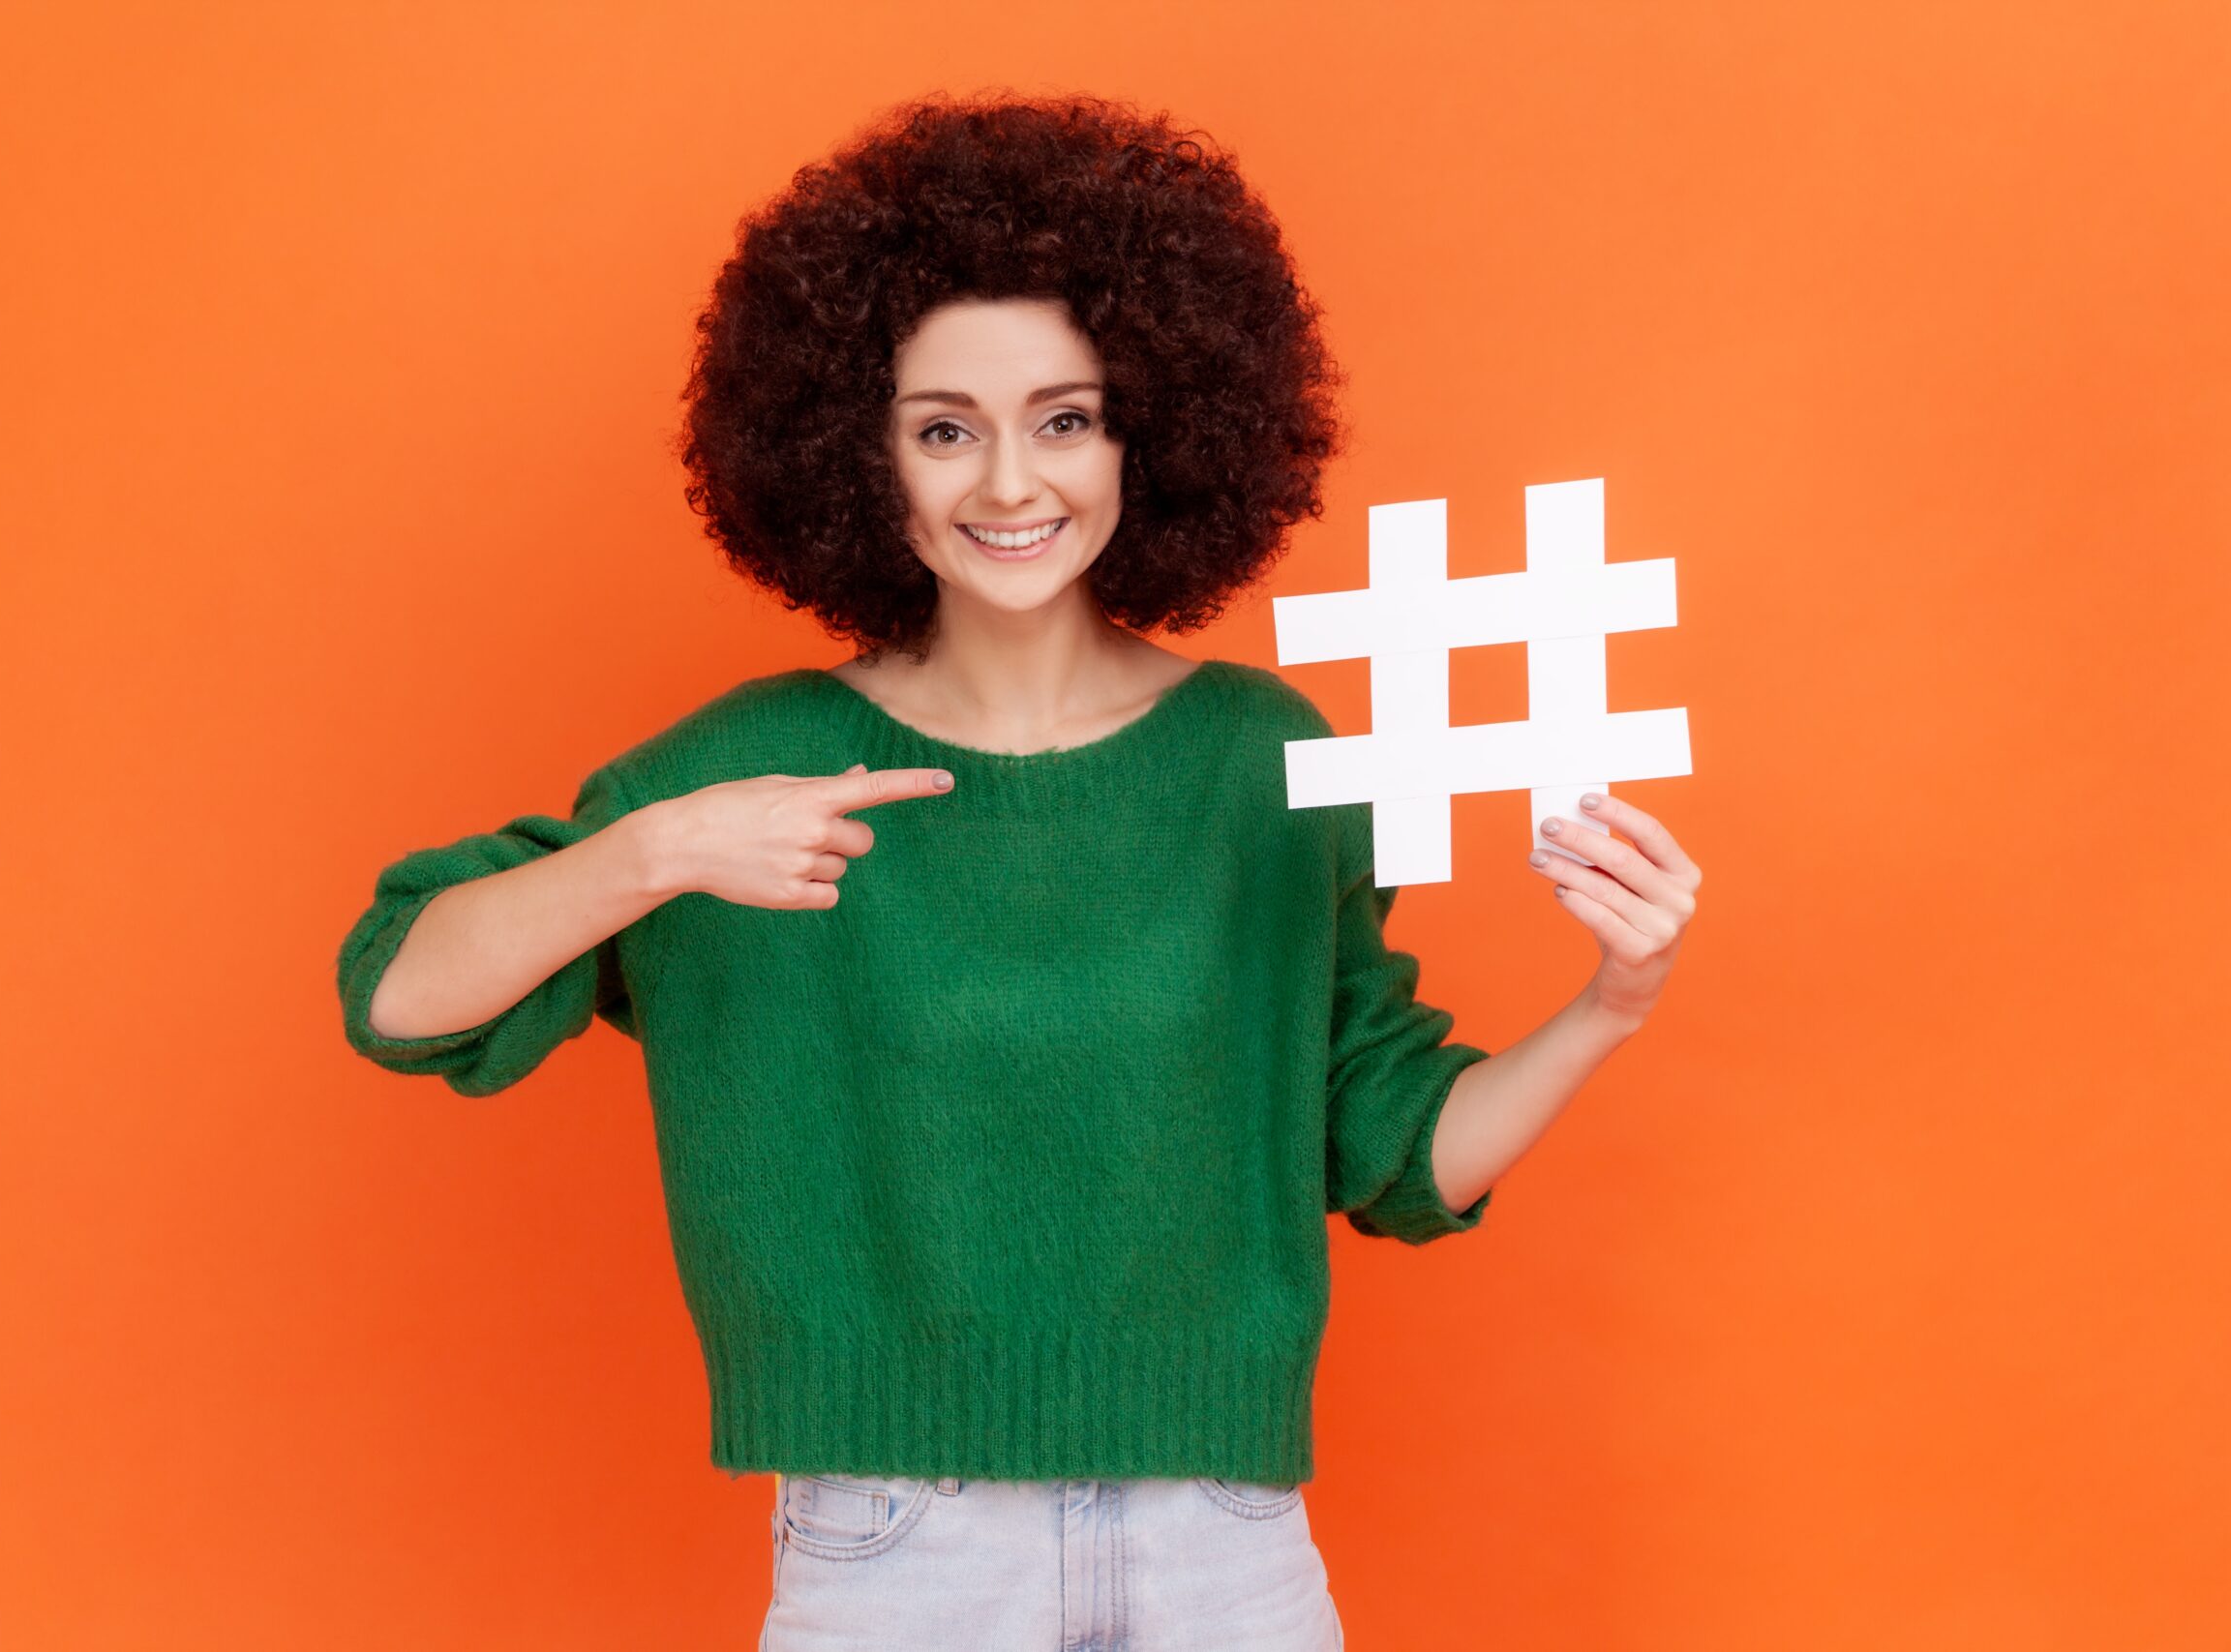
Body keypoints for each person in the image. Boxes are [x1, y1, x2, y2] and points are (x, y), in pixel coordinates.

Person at [335, 91, 1699, 1652]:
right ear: (860, 457)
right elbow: (400, 994)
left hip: (1225, 1549)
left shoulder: (1267, 762)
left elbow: (1394, 1156)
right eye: (942, 428)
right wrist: (651, 853)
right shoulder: (749, 774)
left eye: (1066, 417)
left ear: (1155, 429)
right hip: (895, 1547)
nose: (1007, 484)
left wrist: (1612, 1000)